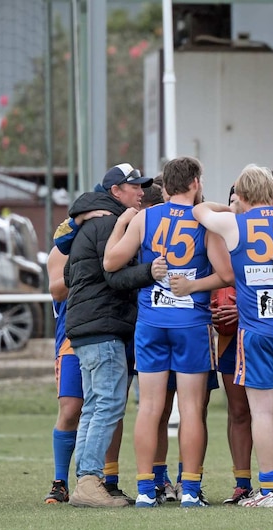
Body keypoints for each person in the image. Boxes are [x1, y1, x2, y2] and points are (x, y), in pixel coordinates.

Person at [103, 156, 229, 508]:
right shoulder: (204, 221)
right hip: (190, 324)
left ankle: (146, 490)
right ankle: (189, 490)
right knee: (191, 409)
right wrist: (193, 284)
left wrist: (124, 226)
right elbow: (226, 274)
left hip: (152, 323)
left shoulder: (144, 217)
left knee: (150, 408)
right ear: (195, 183)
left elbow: (111, 262)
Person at [193, 164, 273, 507]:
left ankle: (268, 489)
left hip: (256, 330)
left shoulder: (236, 223)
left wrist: (229, 207)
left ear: (243, 195)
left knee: (262, 411)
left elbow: (198, 210)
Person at [63, 163, 161, 508]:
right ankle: (89, 481)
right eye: (134, 186)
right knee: (107, 404)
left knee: (95, 405)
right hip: (101, 326)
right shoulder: (107, 222)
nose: (140, 192)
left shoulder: (93, 222)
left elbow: (69, 271)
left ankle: (85, 480)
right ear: (115, 191)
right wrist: (151, 270)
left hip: (87, 326)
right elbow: (114, 276)